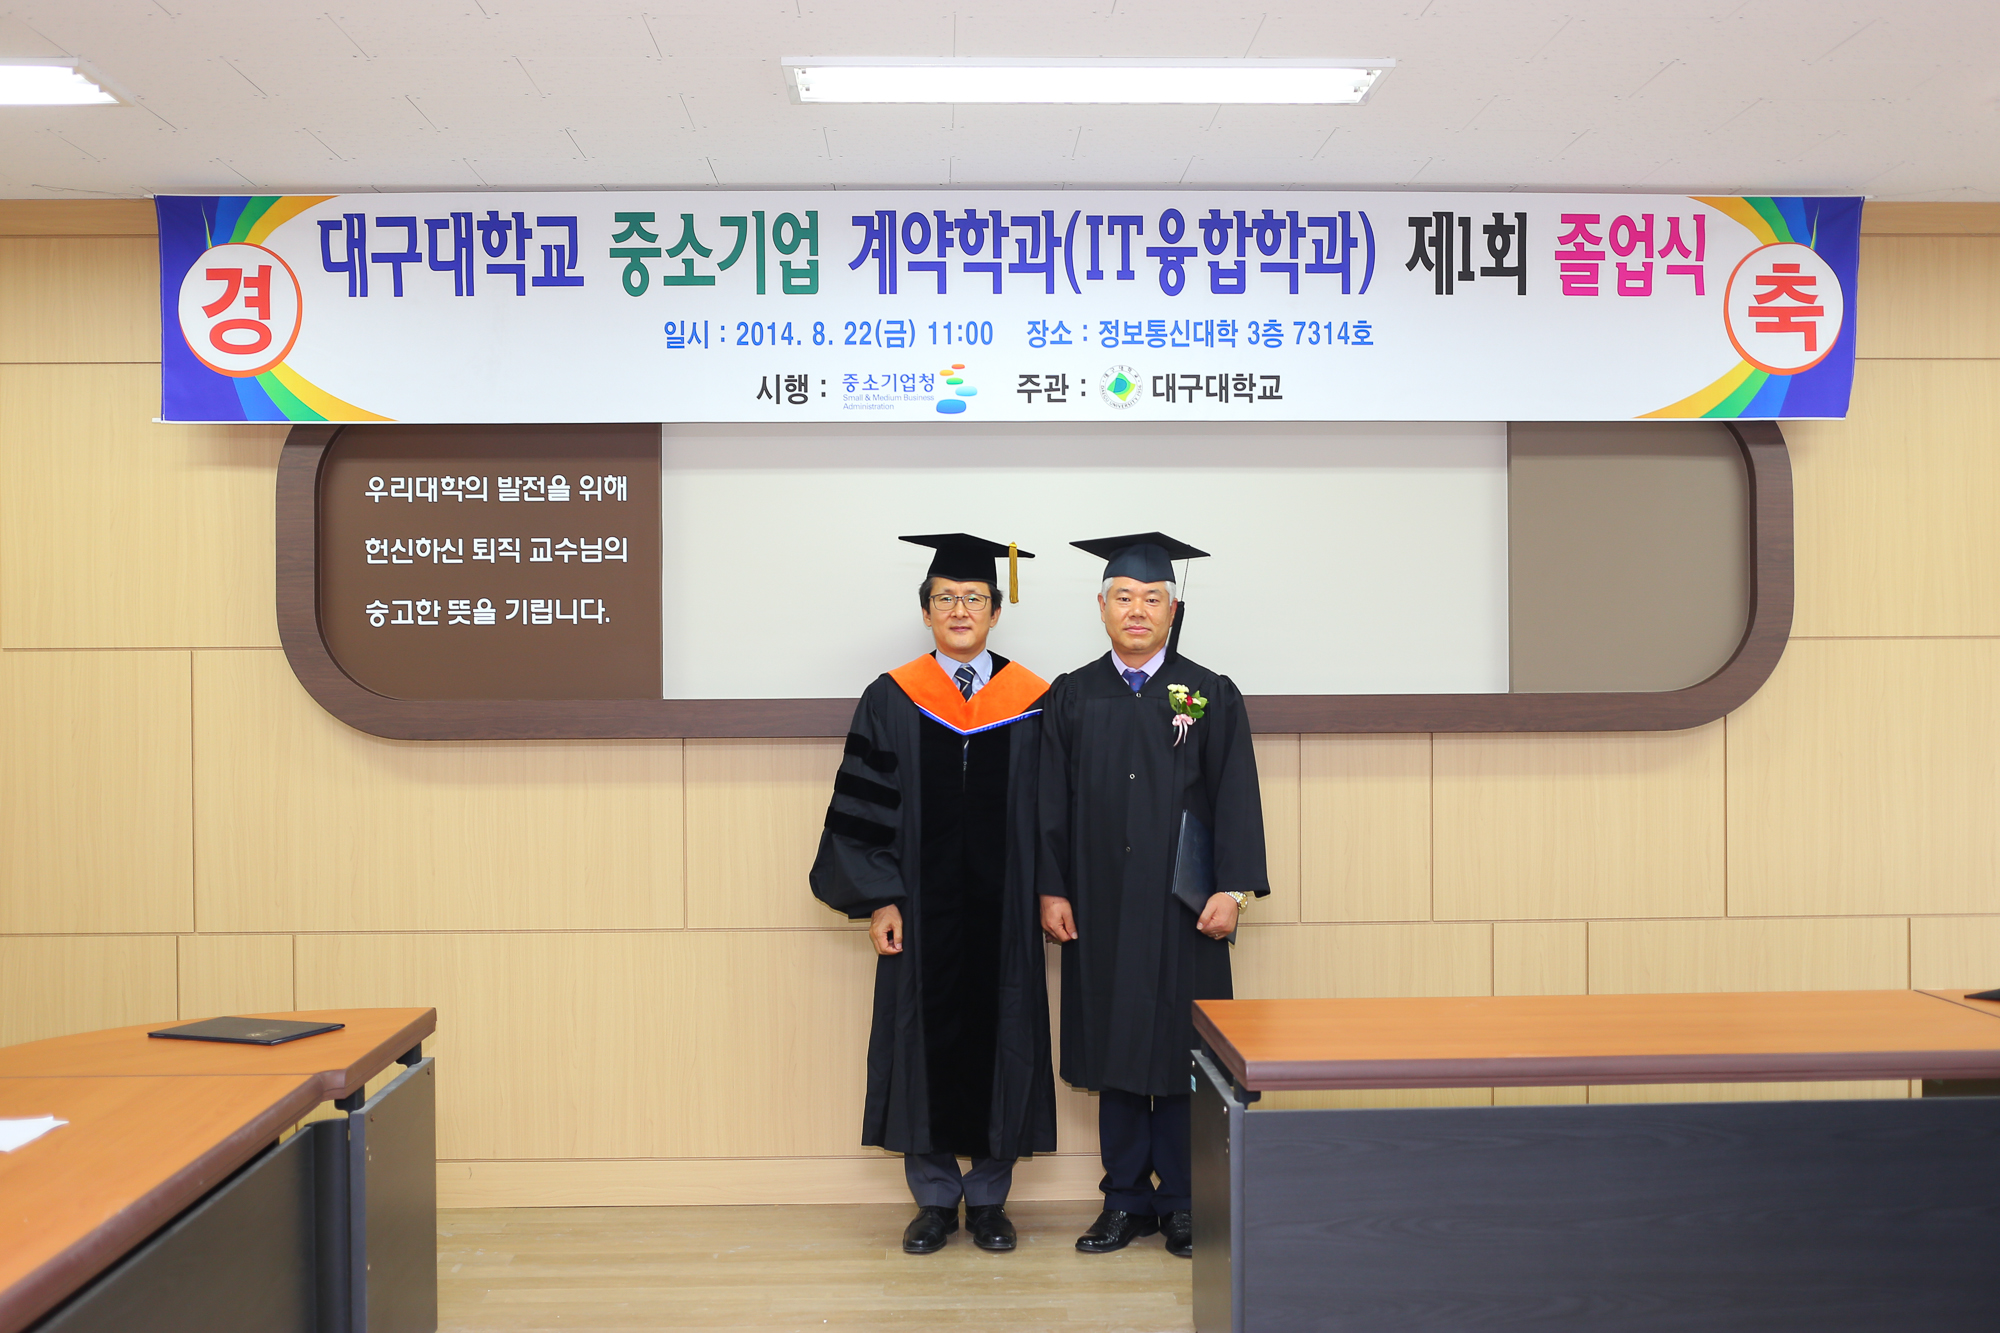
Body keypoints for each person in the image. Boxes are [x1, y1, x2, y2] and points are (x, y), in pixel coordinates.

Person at [809, 533, 1057, 1255]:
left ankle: (990, 1199)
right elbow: (864, 810)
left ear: (996, 612)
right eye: (946, 597)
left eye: (974, 598)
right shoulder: (890, 697)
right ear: (925, 612)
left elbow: (1054, 811)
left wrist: (1051, 891)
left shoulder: (1034, 700)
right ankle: (934, 1199)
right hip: (919, 912)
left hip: (1006, 913)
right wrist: (881, 897)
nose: (960, 609)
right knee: (919, 1035)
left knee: (1005, 1030)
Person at [1036, 532, 1268, 1259]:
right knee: (1114, 1052)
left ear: (1174, 608)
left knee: (1182, 1053)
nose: (1137, 610)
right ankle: (1125, 1200)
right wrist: (1051, 887)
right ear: (1101, 605)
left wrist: (1233, 889)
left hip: (1183, 909)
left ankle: (1185, 1202)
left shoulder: (1209, 692)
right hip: (1098, 904)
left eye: (1152, 598)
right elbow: (1049, 802)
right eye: (1124, 598)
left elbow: (1235, 795)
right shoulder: (1072, 695)